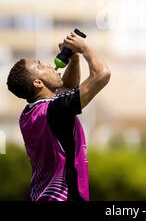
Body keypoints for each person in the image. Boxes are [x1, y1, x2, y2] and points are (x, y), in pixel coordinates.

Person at [6, 31, 111, 201]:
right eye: (40, 65)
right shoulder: (55, 110)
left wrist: (74, 58)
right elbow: (102, 74)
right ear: (38, 83)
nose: (48, 64)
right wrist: (84, 47)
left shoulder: (27, 115)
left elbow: (68, 88)